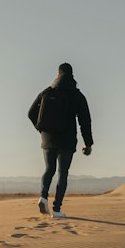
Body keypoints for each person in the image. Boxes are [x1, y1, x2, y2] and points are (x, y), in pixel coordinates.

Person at [27, 62, 93, 219]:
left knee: (49, 169)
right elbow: (85, 121)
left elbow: (30, 113)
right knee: (63, 173)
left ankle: (43, 197)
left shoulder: (47, 92)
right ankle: (56, 210)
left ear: (58, 74)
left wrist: (41, 129)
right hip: (67, 140)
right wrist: (88, 143)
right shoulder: (77, 95)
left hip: (48, 139)